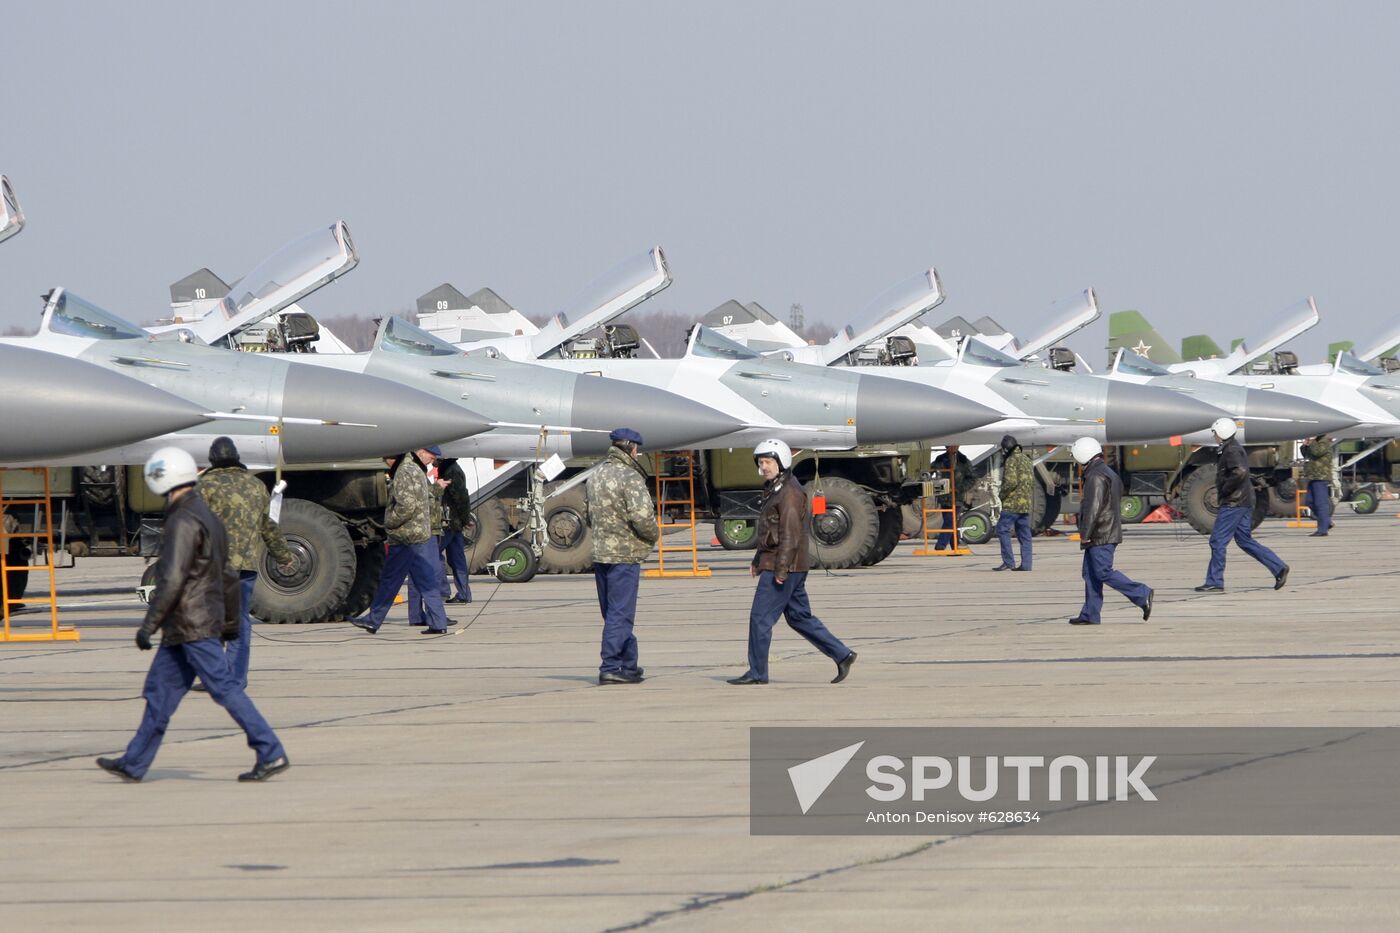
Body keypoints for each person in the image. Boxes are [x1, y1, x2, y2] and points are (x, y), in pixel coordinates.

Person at [95, 447, 289, 782]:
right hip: (187, 628)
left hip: (192, 625)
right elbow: (227, 574)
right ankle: (134, 762)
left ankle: (271, 751)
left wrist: (148, 625)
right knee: (159, 692)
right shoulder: (204, 515)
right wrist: (228, 621)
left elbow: (172, 579)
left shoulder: (183, 519)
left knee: (225, 689)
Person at [728, 439, 856, 684]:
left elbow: (790, 534)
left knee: (760, 618)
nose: (764, 467)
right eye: (761, 462)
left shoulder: (789, 493)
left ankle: (757, 673)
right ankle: (842, 655)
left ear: (782, 461)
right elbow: (769, 531)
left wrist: (781, 569)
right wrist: (757, 559)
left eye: (768, 461)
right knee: (799, 617)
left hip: (783, 565)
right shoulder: (776, 488)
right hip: (786, 564)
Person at [196, 436, 296, 690]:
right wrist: (284, 557)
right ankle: (235, 679)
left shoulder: (204, 486)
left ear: (212, 459)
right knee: (239, 622)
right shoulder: (255, 486)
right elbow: (269, 527)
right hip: (246, 568)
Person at [586, 427, 659, 685]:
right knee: (621, 613)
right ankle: (610, 666)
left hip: (600, 555)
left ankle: (629, 664)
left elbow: (588, 517)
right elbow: (642, 518)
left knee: (613, 612)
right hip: (624, 556)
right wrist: (653, 535)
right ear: (632, 448)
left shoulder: (595, 476)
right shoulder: (630, 477)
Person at [349, 452, 451, 634]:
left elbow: (406, 506)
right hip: (420, 535)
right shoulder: (416, 469)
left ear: (392, 458)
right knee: (427, 582)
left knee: (390, 580)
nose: (385, 463)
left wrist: (389, 521)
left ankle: (373, 620)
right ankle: (438, 623)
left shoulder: (404, 471)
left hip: (405, 537)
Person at [1195, 418, 1289, 593]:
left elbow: (1240, 471)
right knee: (1244, 540)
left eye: (1215, 433)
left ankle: (1215, 581)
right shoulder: (1232, 448)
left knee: (1217, 541)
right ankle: (1278, 567)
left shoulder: (1231, 450)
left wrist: (1224, 489)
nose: (1214, 436)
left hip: (1233, 503)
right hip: (1243, 501)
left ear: (1221, 432)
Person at [1069, 437, 1153, 625]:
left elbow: (1093, 507)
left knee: (1102, 572)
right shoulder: (1107, 472)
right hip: (1105, 530)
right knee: (1090, 573)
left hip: (1101, 533)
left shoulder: (1095, 476)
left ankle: (1142, 593)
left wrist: (1085, 533)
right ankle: (1090, 614)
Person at [406, 446, 450, 626]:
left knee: (418, 574)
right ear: (421, 452)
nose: (432, 461)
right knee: (431, 573)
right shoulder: (413, 471)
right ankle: (436, 619)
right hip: (425, 530)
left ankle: (417, 616)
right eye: (431, 457)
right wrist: (438, 488)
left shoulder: (416, 470)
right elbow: (422, 500)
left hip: (424, 530)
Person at [993, 434, 1033, 571]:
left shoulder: (1011, 460)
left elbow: (1010, 481)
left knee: (1002, 530)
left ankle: (1008, 562)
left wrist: (1001, 495)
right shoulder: (1026, 459)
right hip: (1025, 504)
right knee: (1024, 534)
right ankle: (1026, 564)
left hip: (1012, 504)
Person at [438, 455, 473, 602]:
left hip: (449, 523)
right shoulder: (451, 469)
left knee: (434, 554)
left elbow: (461, 497)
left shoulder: (451, 471)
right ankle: (464, 594)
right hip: (454, 523)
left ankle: (442, 591)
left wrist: (465, 519)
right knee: (457, 559)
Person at [931, 445, 976, 549]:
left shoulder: (963, 460)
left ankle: (940, 545)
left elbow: (972, 478)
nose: (952, 448)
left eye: (954, 446)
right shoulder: (941, 458)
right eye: (949, 446)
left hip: (957, 497)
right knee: (951, 521)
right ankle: (955, 546)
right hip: (944, 496)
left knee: (950, 520)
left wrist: (960, 488)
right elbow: (932, 469)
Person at [1301, 433, 1335, 537]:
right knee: (1309, 501)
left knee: (1320, 503)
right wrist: (1305, 446)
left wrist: (1312, 441)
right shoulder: (1315, 443)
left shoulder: (1324, 442)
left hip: (1321, 476)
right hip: (1313, 476)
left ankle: (1322, 530)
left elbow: (1316, 452)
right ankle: (1327, 521)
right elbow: (1306, 454)